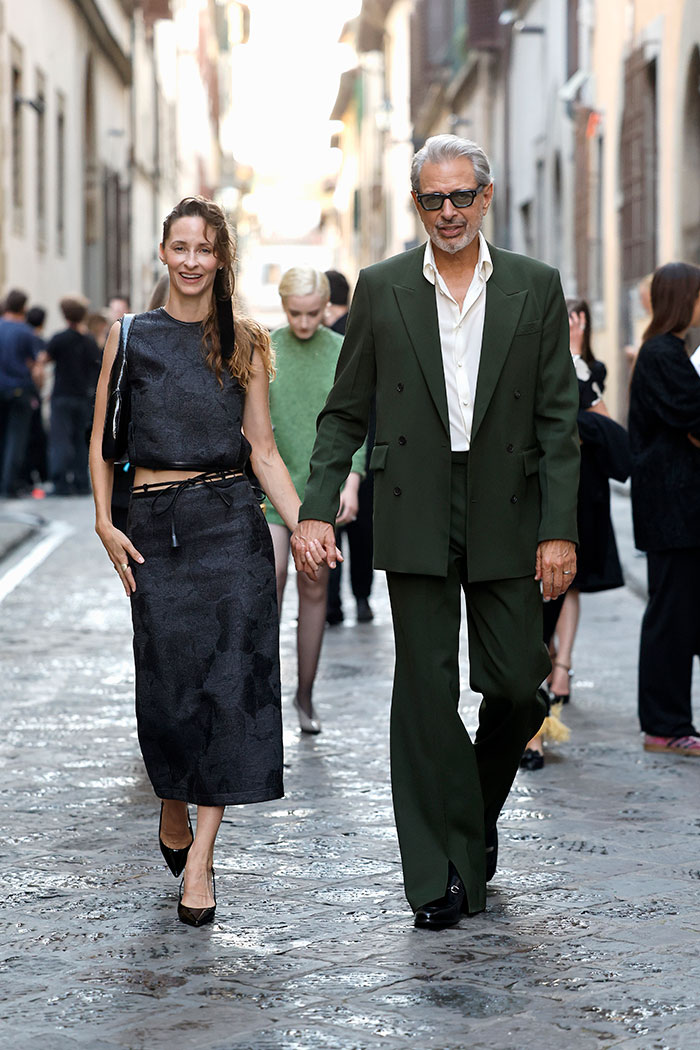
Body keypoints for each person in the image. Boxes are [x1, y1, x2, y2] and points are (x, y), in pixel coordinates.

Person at [292, 134, 580, 929]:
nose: (448, 212)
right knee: (424, 691)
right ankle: (437, 873)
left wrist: (560, 530)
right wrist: (317, 505)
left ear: (486, 197)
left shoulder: (534, 285)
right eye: (432, 199)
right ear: (414, 204)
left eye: (461, 197)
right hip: (414, 499)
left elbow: (560, 419)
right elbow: (344, 411)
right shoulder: (383, 289)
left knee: (521, 683)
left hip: (509, 508)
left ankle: (469, 823)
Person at [89, 196, 320, 926]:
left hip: (230, 532)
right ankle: (171, 799)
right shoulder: (128, 336)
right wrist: (104, 521)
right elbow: (103, 445)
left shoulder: (247, 341)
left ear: (222, 259)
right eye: (180, 246)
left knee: (231, 689)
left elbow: (264, 451)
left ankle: (201, 864)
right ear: (164, 251)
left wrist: (303, 523)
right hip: (155, 531)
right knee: (166, 691)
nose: (192, 261)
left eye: (205, 249)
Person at [521, 299, 631, 770]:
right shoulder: (526, 367)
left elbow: (606, 429)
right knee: (532, 616)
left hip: (577, 500)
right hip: (528, 502)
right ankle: (532, 724)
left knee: (562, 593)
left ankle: (537, 727)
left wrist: (577, 356)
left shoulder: (587, 370)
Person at [268, 267, 364, 733]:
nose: (304, 324)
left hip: (321, 489)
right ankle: (260, 696)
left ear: (326, 307)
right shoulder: (265, 346)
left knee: (315, 587)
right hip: (272, 488)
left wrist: (353, 480)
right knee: (272, 580)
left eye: (312, 314)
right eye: (294, 314)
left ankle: (304, 696)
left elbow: (358, 418)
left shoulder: (342, 350)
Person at [628, 261, 700, 757]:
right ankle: (664, 724)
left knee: (681, 616)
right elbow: (691, 413)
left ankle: (671, 720)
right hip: (673, 510)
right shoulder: (661, 354)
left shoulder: (669, 352)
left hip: (680, 509)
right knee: (670, 618)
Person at [324, 269, 376, 627]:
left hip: (336, 443)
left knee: (330, 527)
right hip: (369, 442)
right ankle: (361, 598)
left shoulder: (326, 340)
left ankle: (332, 605)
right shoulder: (366, 330)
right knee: (362, 532)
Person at [47, 295, 101, 495]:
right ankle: (81, 482)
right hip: (83, 396)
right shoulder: (89, 341)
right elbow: (98, 366)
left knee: (60, 439)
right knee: (81, 440)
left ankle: (60, 482)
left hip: (62, 394)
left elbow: (44, 359)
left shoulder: (58, 338)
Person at [0, 289, 43, 497]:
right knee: (16, 440)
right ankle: (9, 485)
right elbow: (35, 366)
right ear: (23, 307)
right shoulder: (26, 332)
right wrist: (38, 387)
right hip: (19, 389)